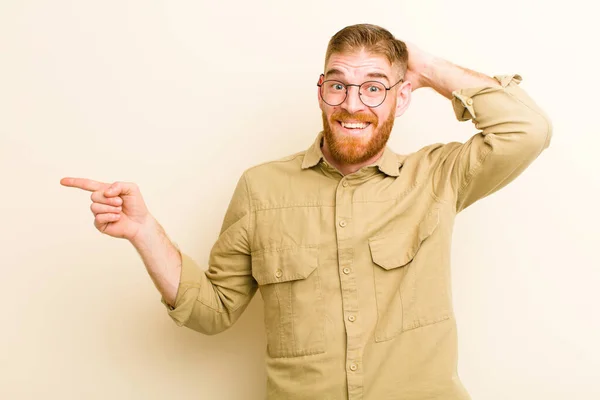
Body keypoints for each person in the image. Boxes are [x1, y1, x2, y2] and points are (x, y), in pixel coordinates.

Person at [61, 24, 552, 400]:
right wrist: (145, 231)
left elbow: (527, 129)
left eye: (375, 87)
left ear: (402, 98)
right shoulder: (260, 188)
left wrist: (422, 64)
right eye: (338, 85)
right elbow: (210, 313)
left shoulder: (438, 176)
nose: (353, 103)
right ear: (321, 92)